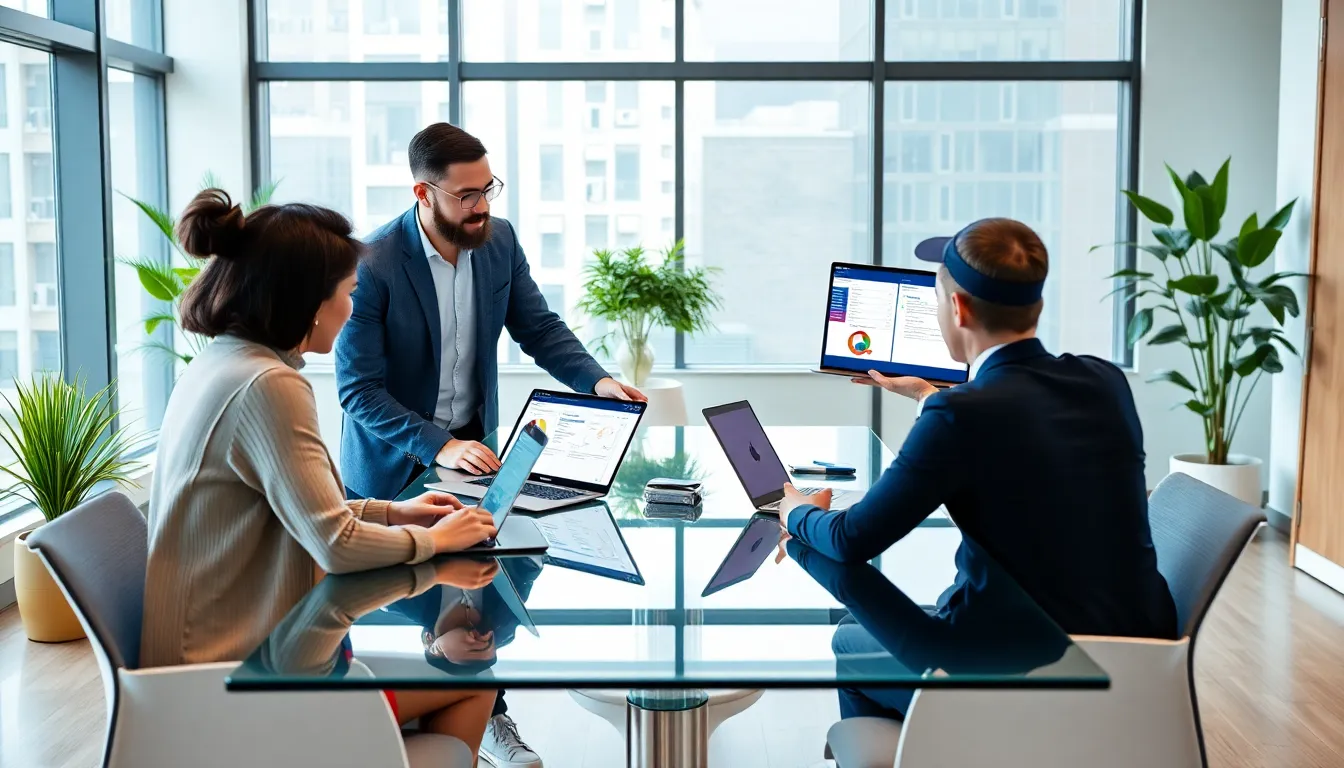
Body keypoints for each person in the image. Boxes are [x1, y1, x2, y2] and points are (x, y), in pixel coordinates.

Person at [141, 189, 498, 759]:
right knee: (473, 680)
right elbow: (334, 545)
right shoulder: (269, 385)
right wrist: (435, 540)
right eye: (348, 293)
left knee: (445, 681)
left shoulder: (225, 361)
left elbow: (292, 510)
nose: (352, 309)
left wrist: (394, 512)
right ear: (309, 301)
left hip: (203, 662)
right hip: (234, 681)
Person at [778, 217, 1178, 723]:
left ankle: (941, 747)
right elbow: (1023, 446)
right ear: (1037, 306)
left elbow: (851, 539)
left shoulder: (961, 415)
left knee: (849, 639)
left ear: (958, 309)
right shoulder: (1104, 381)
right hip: (1133, 668)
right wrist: (928, 396)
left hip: (1014, 676)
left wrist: (794, 512)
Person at [335, 123, 642, 767]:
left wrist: (598, 382)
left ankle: (475, 712)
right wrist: (439, 445)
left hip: (478, 456)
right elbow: (358, 391)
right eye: (467, 195)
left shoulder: (497, 241)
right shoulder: (374, 264)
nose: (482, 206)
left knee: (498, 584)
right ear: (424, 193)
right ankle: (448, 718)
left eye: (489, 189)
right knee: (433, 598)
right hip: (394, 471)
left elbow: (540, 328)